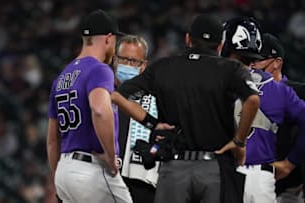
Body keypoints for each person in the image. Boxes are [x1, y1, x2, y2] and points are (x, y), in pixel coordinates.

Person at [112, 14, 260, 203]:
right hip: (214, 166)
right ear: (220, 45)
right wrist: (239, 141)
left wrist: (153, 123)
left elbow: (117, 96)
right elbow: (253, 100)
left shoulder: (163, 66)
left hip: (174, 167)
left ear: (188, 39)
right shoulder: (230, 69)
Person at [46, 9, 133, 203]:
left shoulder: (61, 78)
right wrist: (111, 158)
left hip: (64, 172)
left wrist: (58, 178)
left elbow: (53, 140)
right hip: (91, 169)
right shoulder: (99, 69)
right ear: (109, 39)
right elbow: (100, 110)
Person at [221, 17, 305, 203]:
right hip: (261, 179)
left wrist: (291, 164)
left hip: (282, 184)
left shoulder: (216, 83)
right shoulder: (280, 91)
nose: (256, 65)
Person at [252, 33, 305, 203]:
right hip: (247, 182)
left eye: (258, 59)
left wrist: (290, 163)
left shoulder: (299, 93)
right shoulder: (241, 92)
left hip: (290, 188)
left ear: (277, 62)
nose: (252, 64)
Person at [113, 35, 157, 203]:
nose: (128, 65)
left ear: (143, 66)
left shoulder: (155, 100)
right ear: (115, 60)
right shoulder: (101, 94)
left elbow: (166, 138)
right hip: (105, 180)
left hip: (141, 184)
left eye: (134, 62)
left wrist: (153, 151)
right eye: (124, 59)